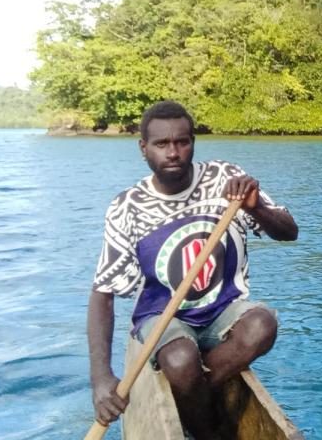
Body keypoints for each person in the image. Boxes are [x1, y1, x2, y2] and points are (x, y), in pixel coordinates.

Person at [87, 100, 298, 439]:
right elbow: (103, 294)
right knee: (181, 359)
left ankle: (193, 395)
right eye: (161, 144)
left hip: (222, 312)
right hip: (163, 317)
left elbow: (289, 232)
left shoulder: (224, 180)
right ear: (144, 148)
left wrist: (256, 208)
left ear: (192, 143)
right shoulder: (127, 206)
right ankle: (210, 429)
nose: (173, 152)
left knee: (262, 325)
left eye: (182, 141)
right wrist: (101, 379)